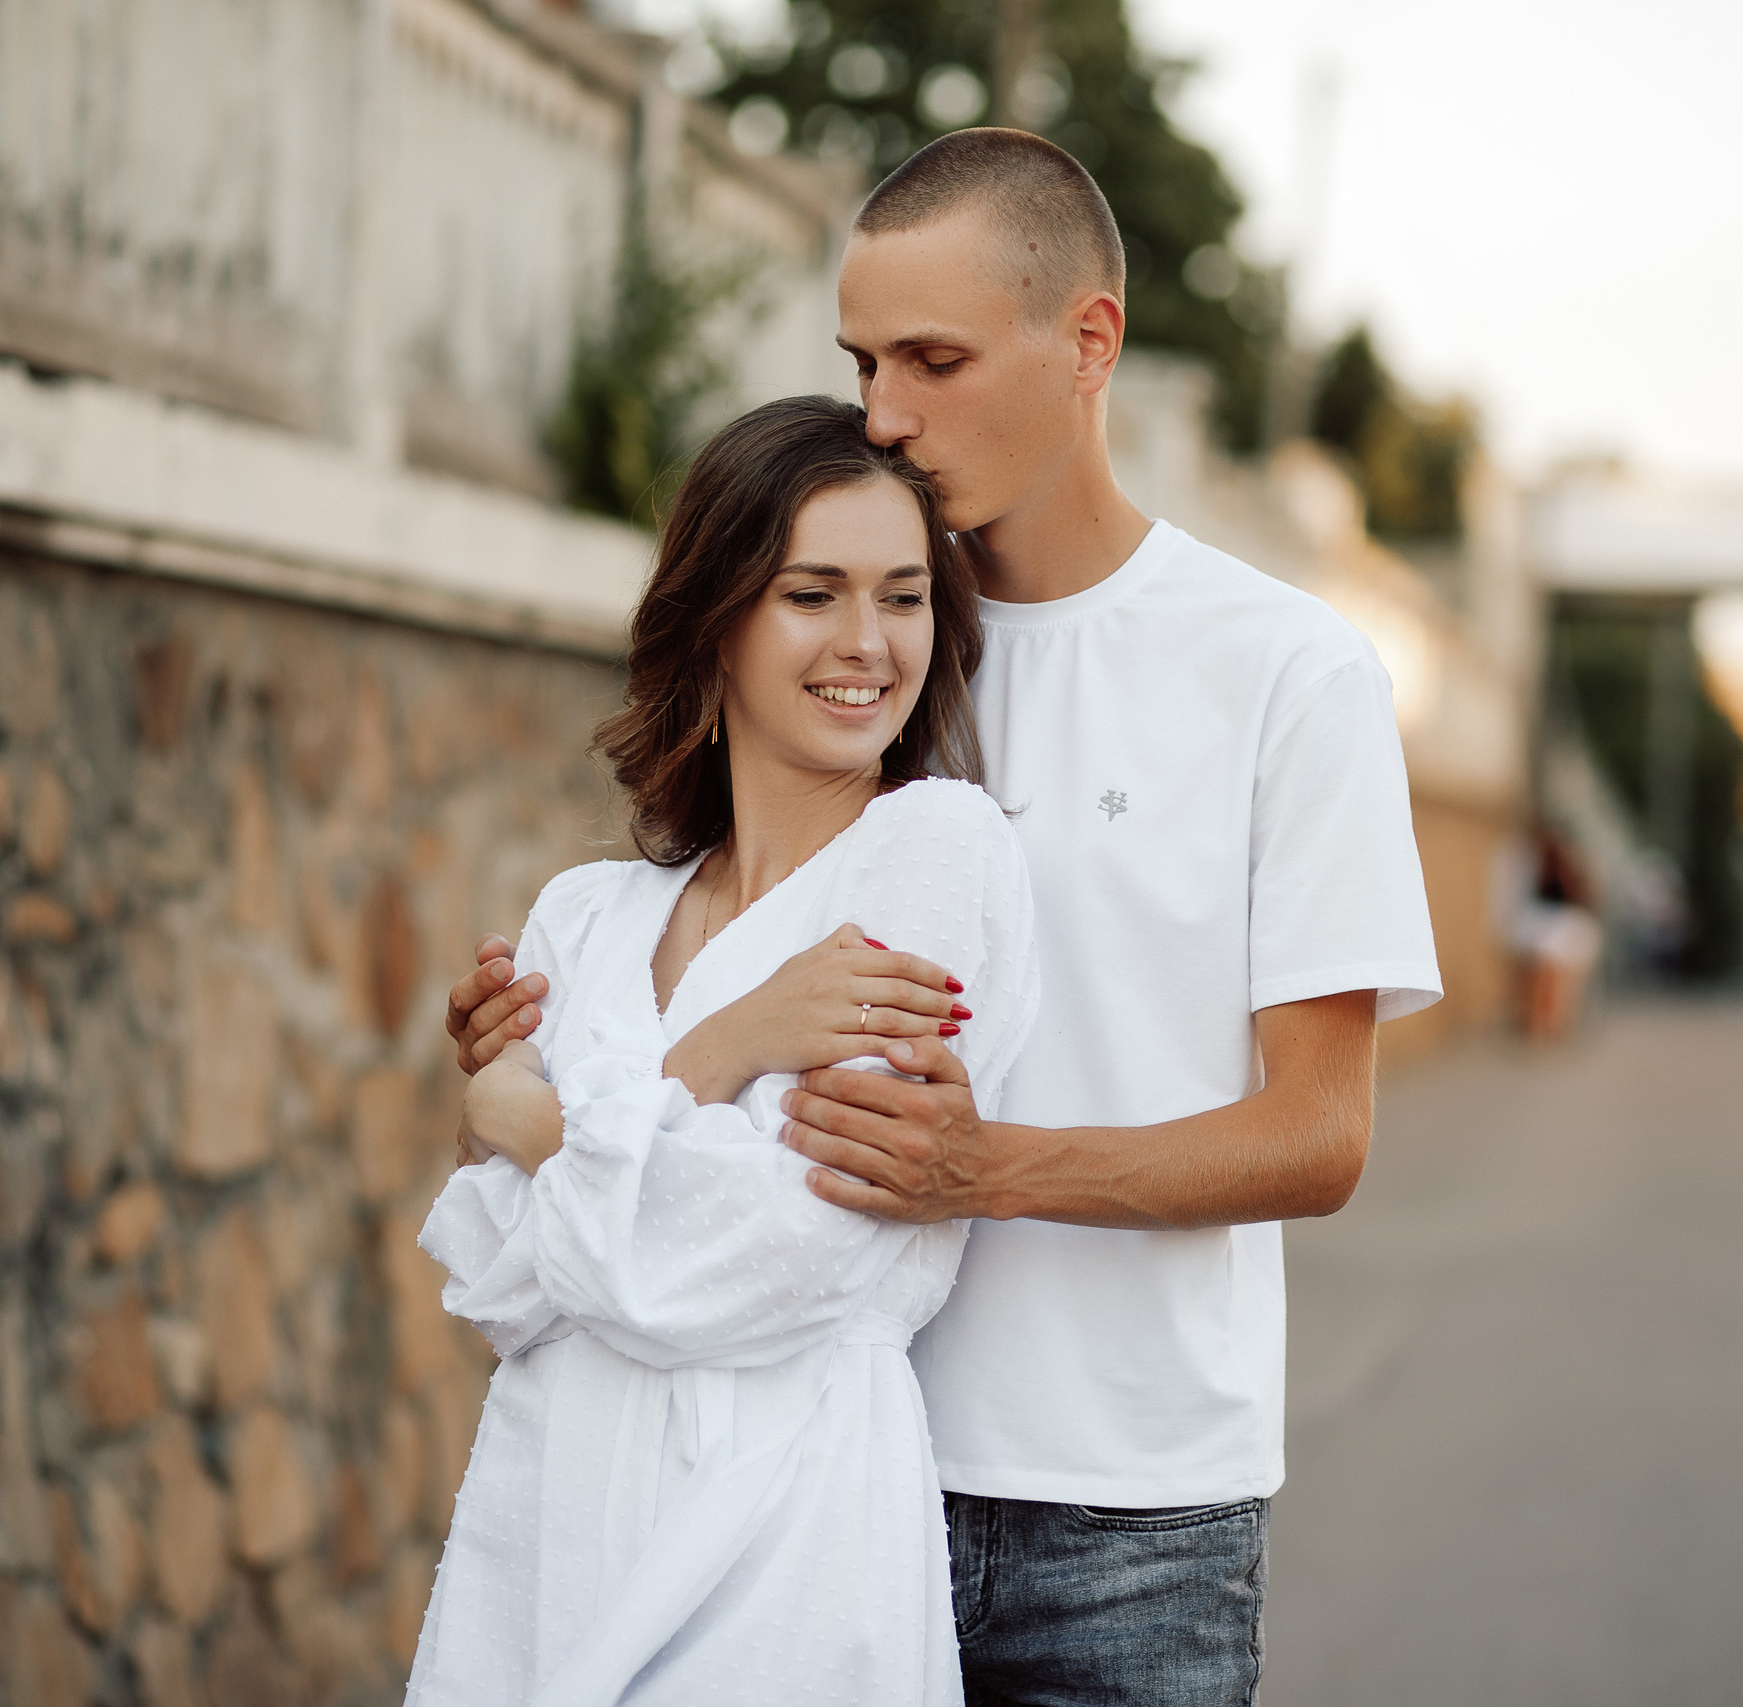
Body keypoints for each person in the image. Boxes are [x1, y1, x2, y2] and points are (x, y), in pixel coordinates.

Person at [450, 131, 1442, 1704]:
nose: (885, 413)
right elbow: (704, 919)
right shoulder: (872, 630)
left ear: (1088, 344)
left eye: (934, 359)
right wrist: (560, 1048)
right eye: (862, 362)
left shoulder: (1284, 672)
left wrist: (993, 1173)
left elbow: (1320, 1135)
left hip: (1134, 1513)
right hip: (824, 1464)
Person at [407, 396, 1039, 1706]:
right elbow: (497, 1282)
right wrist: (718, 1055)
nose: (867, 643)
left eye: (904, 597)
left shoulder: (936, 852)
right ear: (720, 618)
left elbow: (782, 1249)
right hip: (550, 1532)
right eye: (813, 593)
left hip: (781, 1550)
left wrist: (526, 1122)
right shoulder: (585, 917)